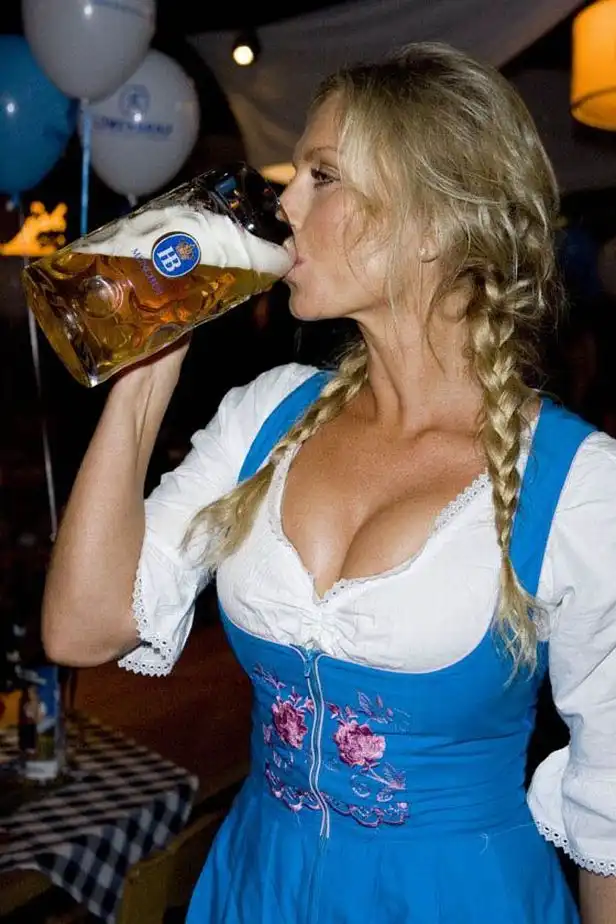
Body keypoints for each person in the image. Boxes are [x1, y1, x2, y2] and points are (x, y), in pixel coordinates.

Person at [40, 43, 616, 923]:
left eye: (322, 175)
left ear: (433, 223)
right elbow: (81, 627)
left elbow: (611, 805)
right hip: (256, 889)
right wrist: (144, 374)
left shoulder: (579, 487)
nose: (284, 202)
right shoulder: (266, 415)